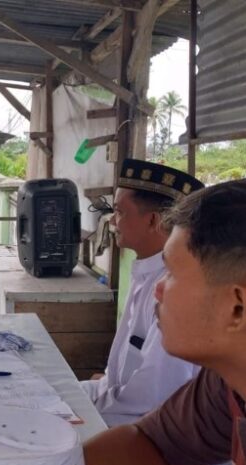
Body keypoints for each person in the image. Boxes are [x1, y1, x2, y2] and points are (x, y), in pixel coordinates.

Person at [84, 179, 246, 465]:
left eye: (171, 272)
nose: (158, 290)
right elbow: (148, 440)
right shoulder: (224, 387)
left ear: (237, 308)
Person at [80, 159, 203, 426]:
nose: (113, 221)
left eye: (120, 212)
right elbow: (118, 382)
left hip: (147, 429)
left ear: (153, 221)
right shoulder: (146, 274)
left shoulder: (174, 290)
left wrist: (78, 410)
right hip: (118, 406)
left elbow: (151, 400)